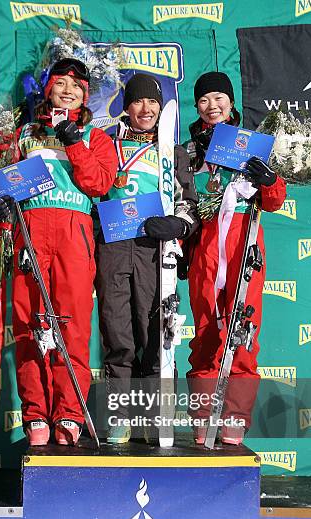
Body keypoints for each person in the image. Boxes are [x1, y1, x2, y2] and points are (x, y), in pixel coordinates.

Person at [0, 58, 117, 446]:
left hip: (74, 233)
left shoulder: (96, 136)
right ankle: (36, 412)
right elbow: (3, 187)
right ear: (48, 88)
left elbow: (98, 183)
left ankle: (69, 413)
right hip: (30, 232)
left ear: (86, 95)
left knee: (70, 325)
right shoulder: (24, 134)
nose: (68, 90)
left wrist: (73, 139)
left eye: (77, 86)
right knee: (29, 325)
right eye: (61, 83)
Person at [95, 72, 199, 444]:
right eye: (138, 101)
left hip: (154, 253)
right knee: (118, 334)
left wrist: (178, 224)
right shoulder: (107, 145)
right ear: (126, 106)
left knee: (156, 334)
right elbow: (91, 191)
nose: (146, 109)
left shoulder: (173, 151)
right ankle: (120, 416)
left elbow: (190, 205)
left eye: (153, 102)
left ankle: (156, 419)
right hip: (113, 248)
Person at [183, 71, 286, 446]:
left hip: (245, 243)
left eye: (218, 99)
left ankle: (235, 418)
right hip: (206, 247)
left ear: (231, 103)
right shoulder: (188, 150)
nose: (212, 106)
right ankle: (203, 415)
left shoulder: (253, 145)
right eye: (204, 101)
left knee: (243, 331)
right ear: (197, 107)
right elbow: (182, 199)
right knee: (207, 333)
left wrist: (269, 178)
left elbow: (273, 201)